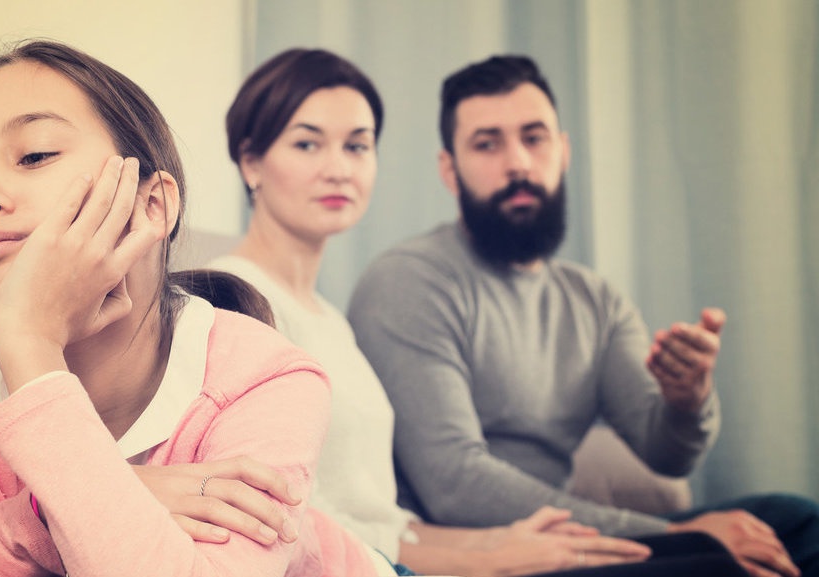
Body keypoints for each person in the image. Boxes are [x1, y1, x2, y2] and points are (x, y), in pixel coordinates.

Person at [209, 47, 752, 577]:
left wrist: (688, 402)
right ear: (251, 161)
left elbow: (386, 520)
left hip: (405, 554)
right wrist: (483, 558)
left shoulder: (330, 320)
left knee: (782, 521)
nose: (338, 169)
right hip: (366, 565)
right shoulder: (232, 301)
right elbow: (294, 518)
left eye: (357, 146)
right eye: (308, 144)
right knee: (717, 561)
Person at [0, 39, 385, 576]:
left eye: (35, 155)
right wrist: (41, 519)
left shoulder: (270, 377)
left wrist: (29, 343)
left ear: (152, 205)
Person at [346, 54, 819, 577]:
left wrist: (688, 401)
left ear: (564, 150)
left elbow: (667, 455)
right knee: (721, 564)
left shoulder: (595, 301)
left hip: (568, 541)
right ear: (448, 170)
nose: (518, 162)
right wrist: (672, 537)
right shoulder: (410, 281)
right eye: (487, 144)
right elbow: (455, 486)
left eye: (534, 138)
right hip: (481, 554)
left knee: (796, 522)